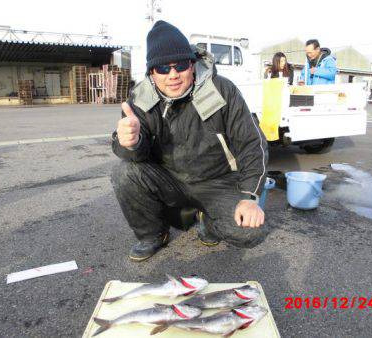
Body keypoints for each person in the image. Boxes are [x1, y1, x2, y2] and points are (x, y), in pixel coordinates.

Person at [110, 21, 269, 262]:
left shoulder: (222, 90)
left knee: (250, 232)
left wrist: (249, 197)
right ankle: (153, 235)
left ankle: (209, 222)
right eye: (162, 68)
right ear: (151, 72)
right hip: (170, 180)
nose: (173, 75)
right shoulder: (140, 100)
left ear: (192, 65)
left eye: (180, 65)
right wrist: (130, 143)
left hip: (218, 182)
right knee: (124, 172)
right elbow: (137, 157)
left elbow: (251, 144)